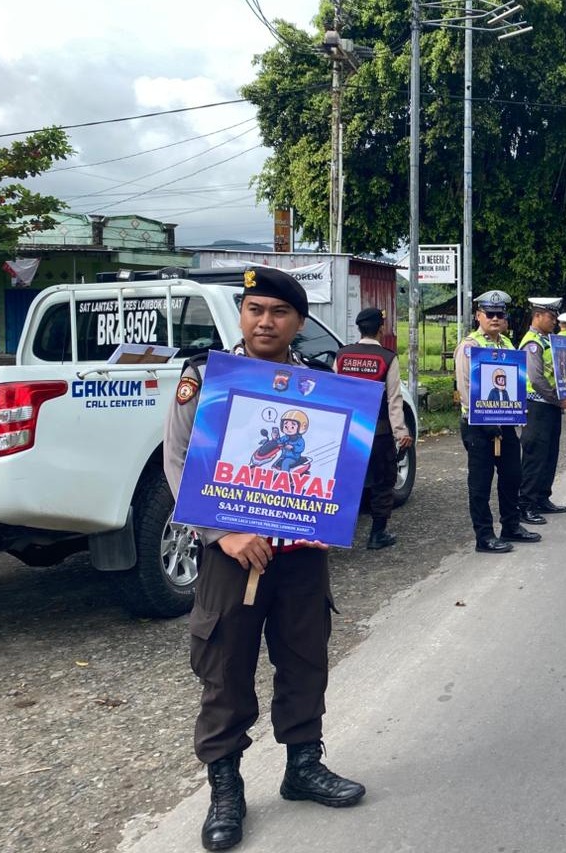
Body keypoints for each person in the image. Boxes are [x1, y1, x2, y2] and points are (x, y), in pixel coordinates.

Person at [163, 266, 364, 853]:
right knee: (224, 668)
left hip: (300, 556)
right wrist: (222, 533)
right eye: (256, 310)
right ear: (242, 315)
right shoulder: (206, 377)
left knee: (305, 659)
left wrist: (331, 516)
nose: (265, 322)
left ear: (299, 322)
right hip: (231, 556)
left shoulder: (324, 388)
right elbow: (178, 463)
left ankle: (303, 766)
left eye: (279, 312)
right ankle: (225, 789)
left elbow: (337, 465)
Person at [455, 291, 544, 554]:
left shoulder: (507, 345)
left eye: (500, 314)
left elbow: (516, 383)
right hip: (477, 425)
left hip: (505, 423)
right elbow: (465, 387)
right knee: (480, 483)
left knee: (512, 477)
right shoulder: (469, 346)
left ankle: (511, 525)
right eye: (489, 314)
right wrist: (483, 420)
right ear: (478, 316)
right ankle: (484, 536)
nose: (495, 318)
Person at [334, 307, 414, 550]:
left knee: (345, 482)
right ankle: (377, 535)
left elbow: (336, 394)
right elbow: (394, 400)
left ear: (359, 328)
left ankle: (337, 533)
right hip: (378, 434)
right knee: (383, 482)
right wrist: (401, 433)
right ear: (380, 328)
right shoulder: (387, 358)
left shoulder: (342, 355)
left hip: (349, 434)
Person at [519, 298, 566, 516]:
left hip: (550, 406)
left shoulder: (549, 340)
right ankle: (526, 504)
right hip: (536, 407)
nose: (554, 321)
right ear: (538, 316)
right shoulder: (532, 343)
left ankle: (542, 497)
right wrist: (557, 399)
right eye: (551, 317)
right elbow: (536, 379)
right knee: (535, 456)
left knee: (550, 454)